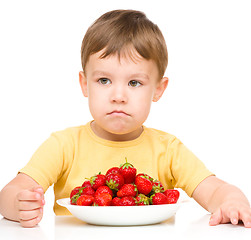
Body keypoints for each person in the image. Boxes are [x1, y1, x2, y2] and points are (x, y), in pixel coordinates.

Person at [0, 9, 250, 228]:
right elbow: (12, 191)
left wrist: (232, 201)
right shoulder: (63, 145)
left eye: (134, 82)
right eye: (104, 80)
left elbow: (214, 189)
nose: (118, 96)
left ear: (158, 89)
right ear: (84, 84)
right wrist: (18, 204)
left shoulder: (168, 149)